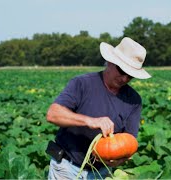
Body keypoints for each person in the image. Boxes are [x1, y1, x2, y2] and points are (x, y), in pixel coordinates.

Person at [46, 37, 151, 179]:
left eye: (130, 75)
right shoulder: (82, 84)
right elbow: (53, 114)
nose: (125, 78)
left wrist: (118, 160)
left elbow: (129, 142)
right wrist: (90, 121)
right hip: (66, 168)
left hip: (101, 172)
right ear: (110, 61)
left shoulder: (134, 100)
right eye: (122, 71)